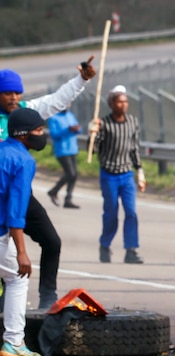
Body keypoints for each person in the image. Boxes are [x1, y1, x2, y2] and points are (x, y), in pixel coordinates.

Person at [0, 58, 96, 309]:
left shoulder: (24, 111)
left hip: (19, 193)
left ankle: (47, 299)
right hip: (1, 195)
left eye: (17, 92)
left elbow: (55, 101)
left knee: (51, 241)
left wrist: (81, 80)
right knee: (8, 260)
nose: (13, 97)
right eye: (7, 92)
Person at [0, 108, 47, 356]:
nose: (42, 135)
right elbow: (16, 211)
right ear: (23, 135)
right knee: (18, 279)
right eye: (38, 130)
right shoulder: (23, 160)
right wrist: (21, 252)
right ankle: (14, 341)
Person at [91, 85, 145, 264]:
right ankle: (104, 245)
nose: (123, 105)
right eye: (119, 101)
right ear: (112, 103)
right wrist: (93, 133)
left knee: (131, 212)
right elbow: (93, 150)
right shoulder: (104, 123)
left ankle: (131, 250)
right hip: (109, 175)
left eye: (125, 101)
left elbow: (134, 149)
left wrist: (141, 172)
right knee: (111, 212)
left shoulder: (133, 122)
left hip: (127, 174)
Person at [47, 108, 82, 209]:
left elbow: (79, 129)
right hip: (62, 150)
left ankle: (68, 199)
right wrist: (67, 130)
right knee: (70, 173)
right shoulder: (53, 118)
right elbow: (54, 134)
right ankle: (54, 191)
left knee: (74, 175)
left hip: (72, 148)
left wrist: (77, 129)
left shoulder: (70, 115)